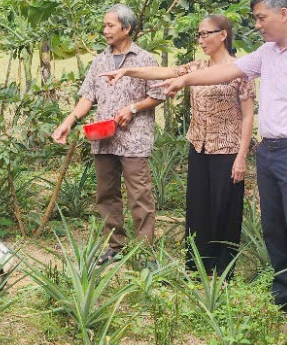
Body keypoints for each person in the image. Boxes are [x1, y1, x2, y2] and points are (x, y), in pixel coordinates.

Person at [147, 0, 287, 345]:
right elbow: (226, 72)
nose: (257, 25)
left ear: (283, 14)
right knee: (274, 229)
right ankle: (285, 296)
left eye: (261, 17)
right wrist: (184, 79)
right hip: (270, 151)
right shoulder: (268, 52)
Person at [101, 14, 255, 276]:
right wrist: (127, 70)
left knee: (224, 209)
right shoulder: (197, 67)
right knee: (198, 207)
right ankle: (196, 268)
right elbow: (165, 72)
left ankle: (222, 270)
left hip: (227, 148)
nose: (201, 39)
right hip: (198, 146)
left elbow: (249, 114)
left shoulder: (240, 70)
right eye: (199, 34)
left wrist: (242, 157)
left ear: (223, 35)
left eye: (206, 33)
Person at [51, 4, 165, 266]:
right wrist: (68, 121)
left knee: (140, 195)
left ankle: (145, 253)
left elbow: (158, 95)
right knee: (106, 193)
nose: (105, 31)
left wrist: (133, 108)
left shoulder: (145, 59)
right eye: (104, 25)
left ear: (126, 28)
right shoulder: (100, 60)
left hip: (134, 139)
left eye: (110, 25)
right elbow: (87, 97)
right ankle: (115, 246)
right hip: (103, 137)